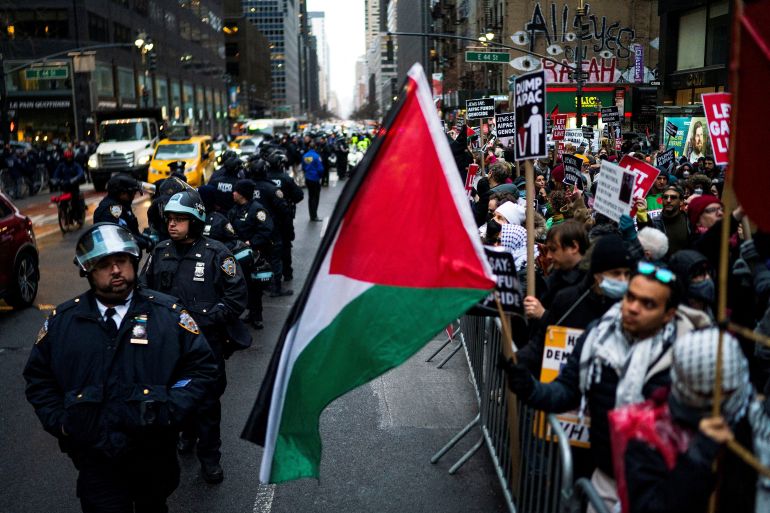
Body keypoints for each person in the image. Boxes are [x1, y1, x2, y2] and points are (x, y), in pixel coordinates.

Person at [23, 223, 218, 512]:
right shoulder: (63, 322)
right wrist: (62, 423)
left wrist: (170, 409)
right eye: (105, 264)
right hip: (96, 461)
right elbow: (40, 379)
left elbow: (201, 369)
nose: (116, 270)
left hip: (153, 456)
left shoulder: (167, 314)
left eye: (122, 261)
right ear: (88, 269)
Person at [503, 261, 700, 513]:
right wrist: (529, 388)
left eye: (648, 304)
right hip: (605, 483)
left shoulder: (688, 358)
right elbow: (565, 391)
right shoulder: (599, 335)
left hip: (662, 493)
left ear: (669, 314)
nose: (633, 308)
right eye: (631, 297)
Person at [141, 190, 249, 484]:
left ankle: (210, 458)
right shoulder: (160, 252)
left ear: (196, 220)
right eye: (170, 220)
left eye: (180, 220)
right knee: (170, 395)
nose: (172, 225)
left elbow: (236, 296)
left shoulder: (217, 254)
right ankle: (185, 434)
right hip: (167, 346)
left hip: (205, 345)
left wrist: (208, 320)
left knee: (207, 404)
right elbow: (141, 292)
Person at [622, 328, 757, 513]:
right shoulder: (650, 435)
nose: (724, 405)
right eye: (708, 396)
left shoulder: (753, 418)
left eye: (731, 393)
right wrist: (698, 457)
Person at [228, 179, 281, 327]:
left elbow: (266, 230)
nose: (233, 193)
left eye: (236, 191)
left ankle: (257, 317)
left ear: (243, 194)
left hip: (254, 255)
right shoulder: (235, 209)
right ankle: (250, 313)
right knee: (242, 286)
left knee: (255, 288)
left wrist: (251, 242)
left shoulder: (257, 210)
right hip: (238, 255)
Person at [246, 158, 293, 296]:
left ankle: (262, 286)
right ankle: (275, 288)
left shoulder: (247, 188)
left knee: (259, 257)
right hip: (271, 230)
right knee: (274, 258)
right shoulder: (271, 188)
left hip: (253, 231)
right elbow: (284, 210)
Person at [266, 150, 304, 282]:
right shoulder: (286, 179)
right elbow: (299, 195)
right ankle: (287, 273)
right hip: (284, 219)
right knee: (285, 245)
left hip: (266, 220)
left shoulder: (263, 178)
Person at [93, 174, 154, 252]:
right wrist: (146, 243)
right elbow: (122, 237)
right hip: (116, 257)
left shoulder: (121, 204)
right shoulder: (112, 210)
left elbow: (131, 231)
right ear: (122, 193)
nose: (133, 196)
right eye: (131, 193)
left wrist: (145, 238)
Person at [51, 149, 86, 222]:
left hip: (74, 187)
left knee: (75, 201)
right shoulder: (61, 166)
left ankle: (79, 217)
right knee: (62, 202)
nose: (68, 159)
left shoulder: (76, 165)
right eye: (67, 158)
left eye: (70, 157)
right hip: (65, 187)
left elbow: (80, 173)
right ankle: (64, 214)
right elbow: (56, 174)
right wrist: (56, 180)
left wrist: (74, 179)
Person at [302, 141, 324, 222]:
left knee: (310, 197)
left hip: (308, 178)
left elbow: (304, 167)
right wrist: (320, 176)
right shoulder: (316, 156)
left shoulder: (305, 156)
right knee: (316, 197)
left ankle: (312, 215)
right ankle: (314, 215)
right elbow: (320, 169)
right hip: (315, 179)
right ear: (315, 147)